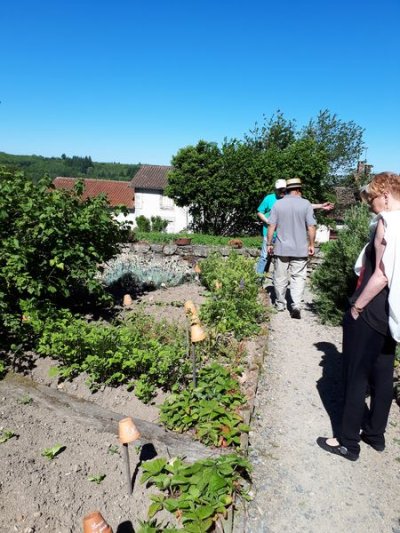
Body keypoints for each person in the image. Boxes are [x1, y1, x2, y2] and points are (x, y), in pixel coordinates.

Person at [317, 171, 400, 461]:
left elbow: (382, 274)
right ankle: (375, 434)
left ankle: (347, 442)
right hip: (391, 311)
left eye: (372, 199)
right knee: (382, 373)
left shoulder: (387, 223)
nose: (370, 206)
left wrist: (356, 307)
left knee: (355, 375)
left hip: (371, 308)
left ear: (386, 195)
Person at [266, 177, 316, 319]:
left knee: (280, 276)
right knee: (298, 277)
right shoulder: (306, 204)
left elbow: (271, 226)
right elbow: (311, 226)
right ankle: (296, 305)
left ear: (287, 190)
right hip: (300, 248)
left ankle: (280, 304)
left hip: (281, 247)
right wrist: (311, 244)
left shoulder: (278, 204)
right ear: (298, 189)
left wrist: (269, 244)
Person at [256, 179, 287, 276]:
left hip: (283, 234)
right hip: (268, 233)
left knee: (279, 258)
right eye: (280, 190)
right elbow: (259, 212)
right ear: (276, 189)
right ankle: (258, 279)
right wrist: (268, 221)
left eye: (284, 189)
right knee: (264, 256)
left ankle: (277, 281)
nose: (282, 192)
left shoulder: (289, 199)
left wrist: (319, 206)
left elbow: (303, 205)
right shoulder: (269, 198)